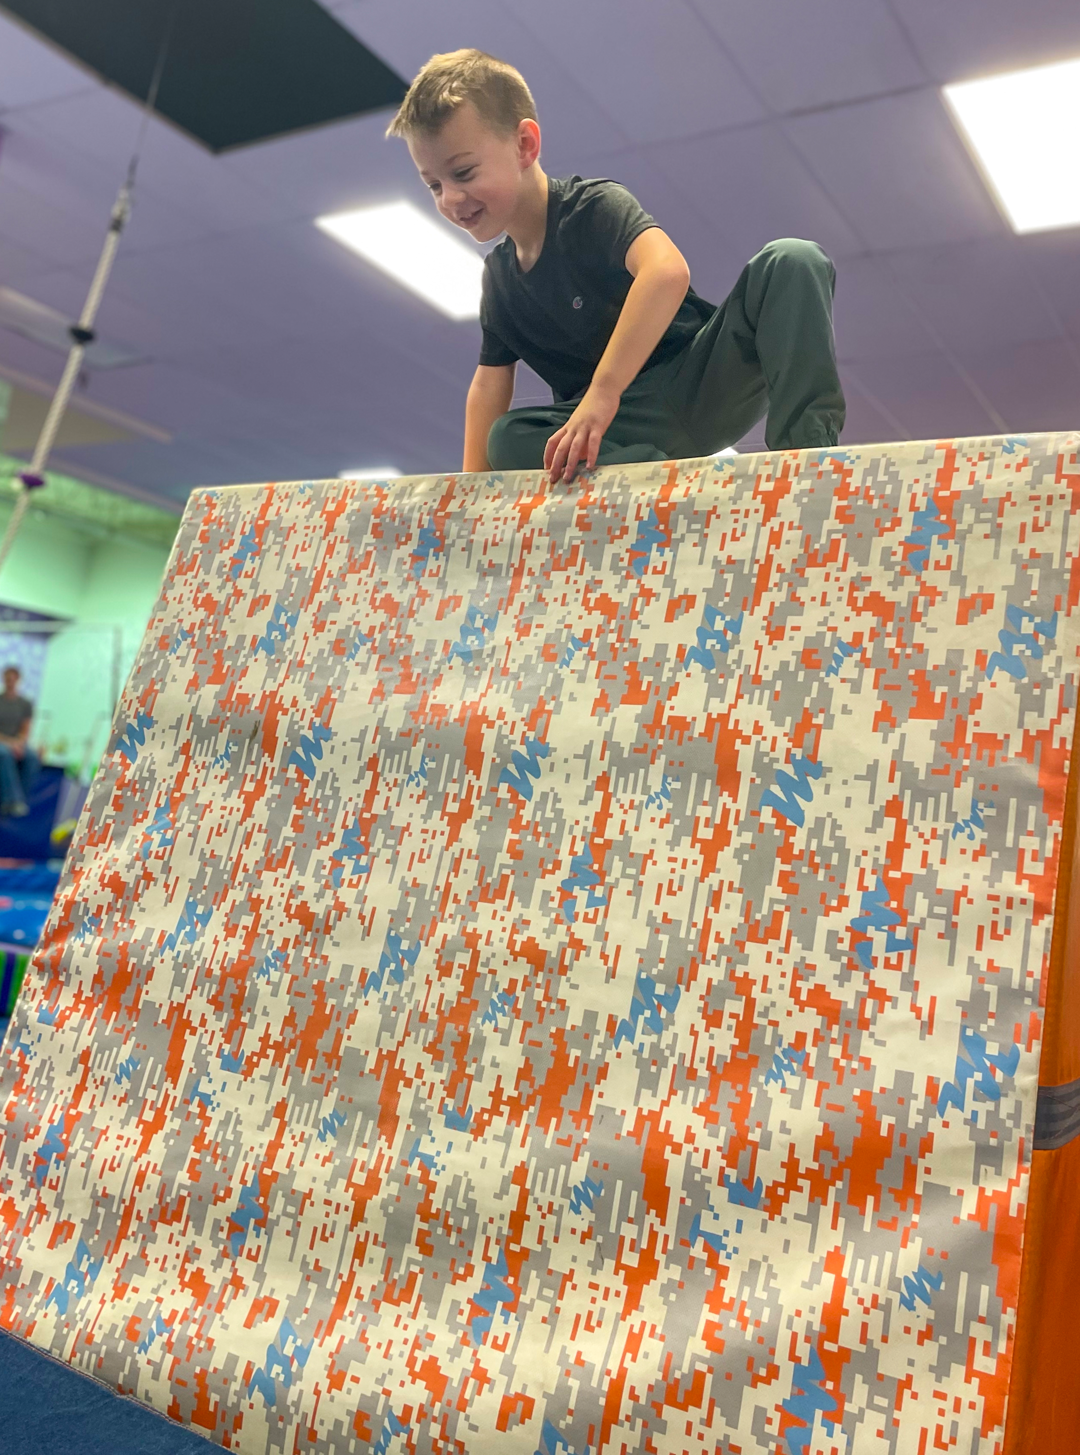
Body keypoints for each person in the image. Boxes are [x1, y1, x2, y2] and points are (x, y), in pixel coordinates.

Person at [386, 49, 845, 484]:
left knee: (793, 258)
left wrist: (601, 394)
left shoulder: (593, 207)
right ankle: (649, 484)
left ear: (524, 145)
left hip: (701, 380)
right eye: (433, 185)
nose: (451, 199)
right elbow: (489, 385)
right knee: (506, 437)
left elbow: (666, 272)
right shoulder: (500, 280)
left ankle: (804, 457)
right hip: (620, 435)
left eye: (463, 173)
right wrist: (468, 496)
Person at [0, 665, 38, 819]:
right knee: (4, 754)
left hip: (17, 742)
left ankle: (20, 800)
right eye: (7, 678)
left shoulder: (25, 704)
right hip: (3, 742)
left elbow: (25, 729)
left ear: (18, 680)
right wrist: (11, 744)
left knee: (32, 757)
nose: (10, 682)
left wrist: (20, 743)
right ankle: (11, 800)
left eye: (13, 679)